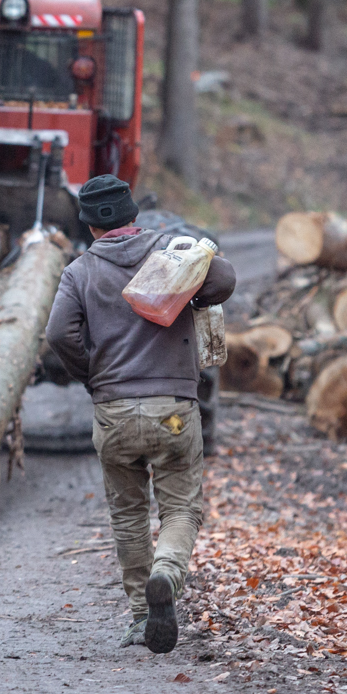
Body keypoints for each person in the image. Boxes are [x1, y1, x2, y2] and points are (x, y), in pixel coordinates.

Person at [43, 175, 236, 654]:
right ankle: (167, 574)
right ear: (134, 213)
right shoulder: (169, 252)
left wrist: (94, 376)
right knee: (180, 507)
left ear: (88, 225)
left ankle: (138, 618)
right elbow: (225, 280)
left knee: (128, 515)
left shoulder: (79, 272)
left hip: (113, 414)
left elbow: (57, 335)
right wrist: (193, 273)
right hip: (173, 410)